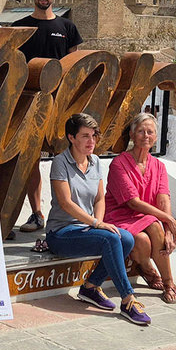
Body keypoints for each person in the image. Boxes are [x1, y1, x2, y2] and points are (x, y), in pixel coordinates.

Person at [44, 114, 150, 325]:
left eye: (94, 135)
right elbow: (66, 203)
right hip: (61, 233)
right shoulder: (60, 162)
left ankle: (91, 287)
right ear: (71, 137)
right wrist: (96, 225)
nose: (91, 141)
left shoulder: (96, 162)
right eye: (85, 136)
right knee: (110, 239)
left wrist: (99, 223)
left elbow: (100, 198)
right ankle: (128, 300)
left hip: (88, 229)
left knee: (127, 239)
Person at [13, 0, 83, 235]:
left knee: (67, 159)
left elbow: (74, 68)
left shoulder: (68, 28)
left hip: (60, 106)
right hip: (27, 105)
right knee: (30, 160)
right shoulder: (21, 27)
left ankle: (67, 214)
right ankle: (36, 213)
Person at [104, 113, 176, 304]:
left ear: (156, 137)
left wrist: (168, 232)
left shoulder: (159, 166)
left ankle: (168, 282)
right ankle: (149, 269)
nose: (145, 135)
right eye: (140, 131)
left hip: (145, 218)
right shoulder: (119, 163)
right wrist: (169, 221)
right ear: (132, 135)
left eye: (150, 132)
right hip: (120, 216)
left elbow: (163, 199)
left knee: (151, 230)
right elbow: (132, 202)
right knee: (143, 237)